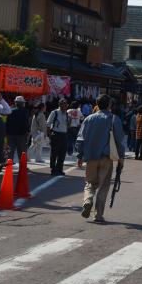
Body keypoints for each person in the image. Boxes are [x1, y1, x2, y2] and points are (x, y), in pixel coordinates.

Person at [76, 94, 125, 223]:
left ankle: (88, 200)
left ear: (97, 104)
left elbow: (80, 139)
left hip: (91, 156)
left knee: (90, 183)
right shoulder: (114, 119)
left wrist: (79, 156)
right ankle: (98, 215)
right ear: (109, 105)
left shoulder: (89, 119)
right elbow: (119, 141)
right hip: (106, 157)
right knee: (104, 186)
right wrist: (121, 157)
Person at [46, 99, 70, 176]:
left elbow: (67, 125)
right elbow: (48, 124)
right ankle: (53, 169)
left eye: (66, 104)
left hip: (64, 135)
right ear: (59, 105)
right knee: (54, 153)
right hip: (56, 134)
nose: (64, 105)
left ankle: (60, 169)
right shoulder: (54, 112)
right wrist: (49, 135)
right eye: (62, 104)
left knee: (62, 153)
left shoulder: (67, 114)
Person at [6, 96, 31, 163]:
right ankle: (22, 167)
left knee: (10, 152)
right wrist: (27, 132)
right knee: (22, 152)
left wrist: (6, 133)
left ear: (16, 103)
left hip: (10, 135)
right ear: (22, 103)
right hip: (21, 135)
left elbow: (7, 123)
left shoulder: (10, 111)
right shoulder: (25, 111)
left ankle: (9, 166)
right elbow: (26, 123)